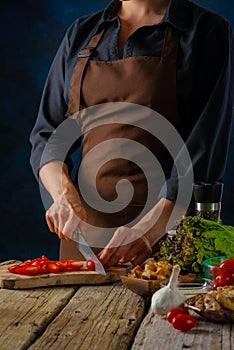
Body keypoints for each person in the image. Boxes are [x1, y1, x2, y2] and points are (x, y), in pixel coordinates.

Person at [30, 0, 233, 268]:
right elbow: (47, 136)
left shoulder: (207, 32)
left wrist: (148, 230)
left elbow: (203, 150)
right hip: (82, 242)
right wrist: (62, 194)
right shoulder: (81, 33)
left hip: (166, 241)